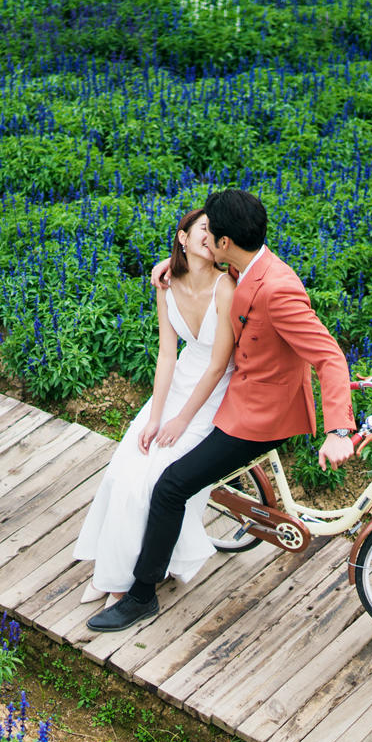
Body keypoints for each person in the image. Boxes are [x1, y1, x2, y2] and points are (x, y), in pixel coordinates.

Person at [86, 189, 355, 632]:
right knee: (166, 474)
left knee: (170, 486)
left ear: (225, 243)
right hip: (236, 394)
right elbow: (207, 273)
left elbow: (329, 356)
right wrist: (172, 263)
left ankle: (141, 595)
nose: (207, 238)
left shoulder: (278, 289)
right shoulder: (246, 263)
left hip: (262, 415)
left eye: (211, 233)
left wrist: (339, 431)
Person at [73, 208, 236, 606]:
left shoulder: (226, 287)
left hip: (214, 393)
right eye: (202, 228)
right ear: (183, 237)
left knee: (151, 482)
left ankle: (123, 580)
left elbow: (218, 366)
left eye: (215, 230)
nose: (210, 234)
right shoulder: (166, 284)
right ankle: (108, 568)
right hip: (180, 382)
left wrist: (180, 420)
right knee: (123, 470)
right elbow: (167, 354)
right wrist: (156, 416)